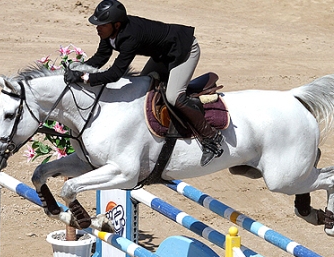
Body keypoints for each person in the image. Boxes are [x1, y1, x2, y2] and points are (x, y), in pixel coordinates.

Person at [64, 0, 223, 166]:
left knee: (173, 96)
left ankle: (211, 138)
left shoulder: (130, 37)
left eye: (102, 25)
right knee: (143, 88)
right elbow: (101, 57)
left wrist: (86, 78)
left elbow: (115, 73)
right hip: (162, 55)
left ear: (116, 25)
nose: (98, 27)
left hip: (184, 50)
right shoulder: (108, 33)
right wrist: (78, 69)